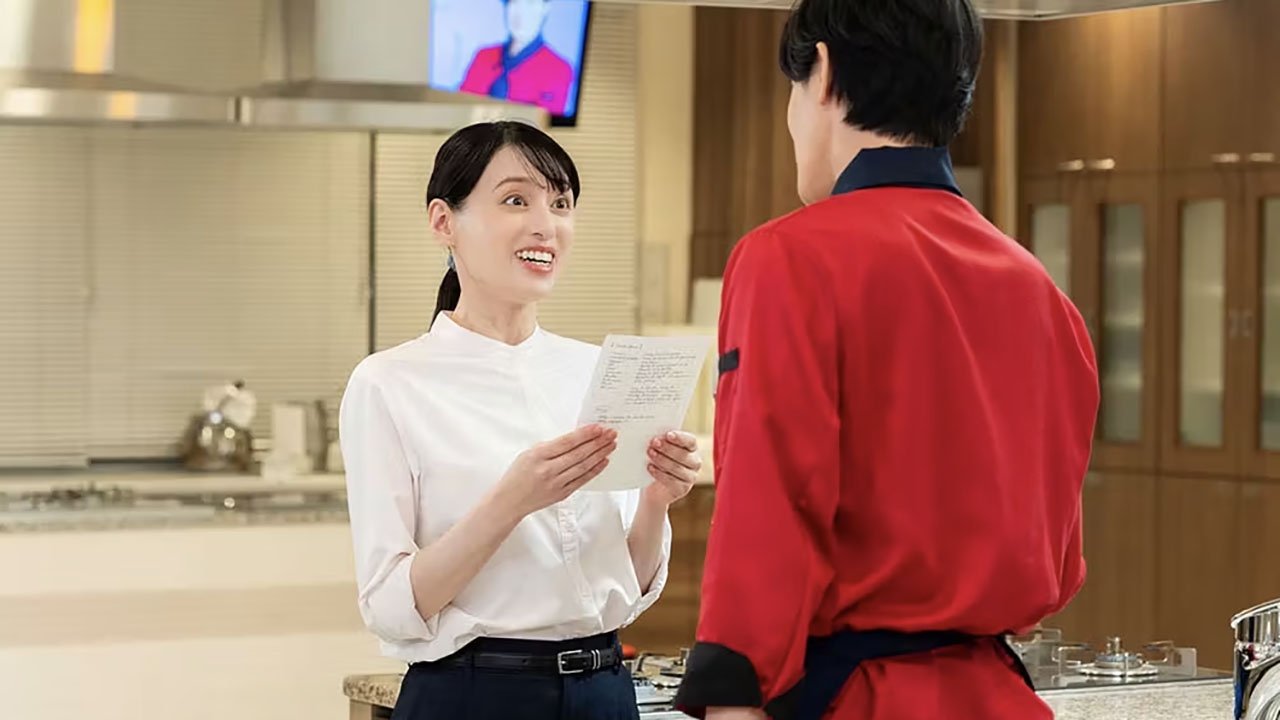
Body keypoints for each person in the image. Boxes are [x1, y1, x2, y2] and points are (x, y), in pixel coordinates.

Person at [672, 1, 1100, 719]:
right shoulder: (1039, 289)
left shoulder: (787, 259)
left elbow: (768, 502)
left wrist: (731, 691)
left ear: (823, 74)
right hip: (998, 695)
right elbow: (1059, 560)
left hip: (855, 699)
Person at [339, 120, 703, 720]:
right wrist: (512, 501)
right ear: (443, 222)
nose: (546, 225)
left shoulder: (595, 370)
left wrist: (656, 500)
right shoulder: (388, 384)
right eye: (515, 200)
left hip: (605, 691)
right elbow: (392, 607)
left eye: (561, 204)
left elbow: (627, 587)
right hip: (474, 696)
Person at [460, 0, 576, 116]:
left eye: (530, 3)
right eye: (514, 3)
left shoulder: (559, 69)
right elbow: (461, 109)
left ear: (545, 8)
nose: (520, 13)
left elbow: (542, 123)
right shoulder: (483, 56)